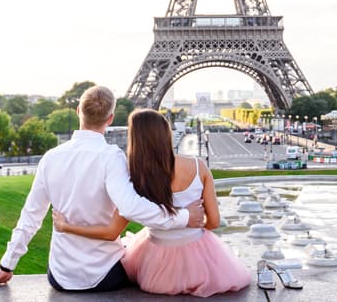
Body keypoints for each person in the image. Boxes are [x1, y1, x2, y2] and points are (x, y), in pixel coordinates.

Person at [0, 86, 205, 292]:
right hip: (105, 275)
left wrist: (7, 265)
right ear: (110, 118)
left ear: (78, 111)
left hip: (59, 276)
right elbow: (131, 207)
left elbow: (30, 217)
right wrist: (184, 216)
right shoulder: (111, 157)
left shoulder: (50, 158)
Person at [52, 108, 251, 297]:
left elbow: (111, 231)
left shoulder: (134, 176)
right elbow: (214, 222)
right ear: (166, 133)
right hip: (202, 267)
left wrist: (66, 226)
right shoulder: (199, 167)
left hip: (156, 272)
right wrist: (191, 226)